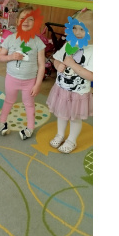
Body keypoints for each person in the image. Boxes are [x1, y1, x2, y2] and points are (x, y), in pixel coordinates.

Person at [47, 8, 93, 154]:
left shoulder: (93, 51)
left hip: (78, 93)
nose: (77, 32)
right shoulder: (69, 44)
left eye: (82, 29)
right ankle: (60, 134)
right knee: (61, 114)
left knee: (74, 118)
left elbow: (91, 76)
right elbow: (56, 58)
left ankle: (71, 140)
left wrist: (72, 64)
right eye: (75, 28)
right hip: (62, 88)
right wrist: (57, 65)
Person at [0, 6, 47, 140]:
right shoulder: (10, 38)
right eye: (23, 18)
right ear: (17, 21)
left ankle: (30, 127)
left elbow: (42, 65)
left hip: (29, 81)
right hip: (11, 78)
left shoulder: (38, 42)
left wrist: (38, 84)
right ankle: (2, 122)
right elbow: (0, 57)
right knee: (9, 100)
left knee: (29, 104)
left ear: (35, 22)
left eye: (30, 19)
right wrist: (11, 57)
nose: (26, 21)